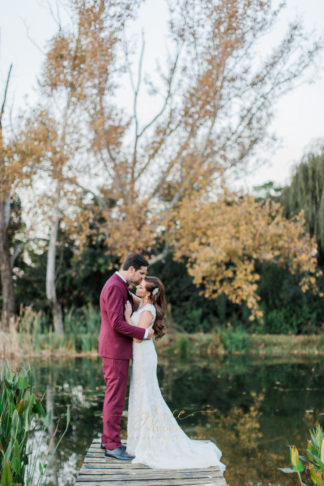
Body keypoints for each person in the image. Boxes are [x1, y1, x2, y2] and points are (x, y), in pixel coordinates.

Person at [124, 276, 226, 473]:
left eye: (141, 286)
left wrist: (128, 316)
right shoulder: (144, 302)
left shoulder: (147, 310)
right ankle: (138, 441)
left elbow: (137, 338)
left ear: (149, 293)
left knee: (146, 396)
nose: (137, 287)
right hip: (141, 358)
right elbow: (129, 295)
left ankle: (148, 441)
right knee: (141, 395)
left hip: (144, 357)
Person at [98, 253, 155, 461]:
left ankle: (108, 440)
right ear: (131, 269)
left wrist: (152, 302)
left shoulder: (120, 285)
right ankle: (112, 446)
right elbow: (116, 323)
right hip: (114, 350)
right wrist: (144, 334)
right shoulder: (115, 286)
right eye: (141, 274)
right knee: (115, 398)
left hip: (116, 350)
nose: (142, 279)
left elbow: (139, 302)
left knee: (113, 397)